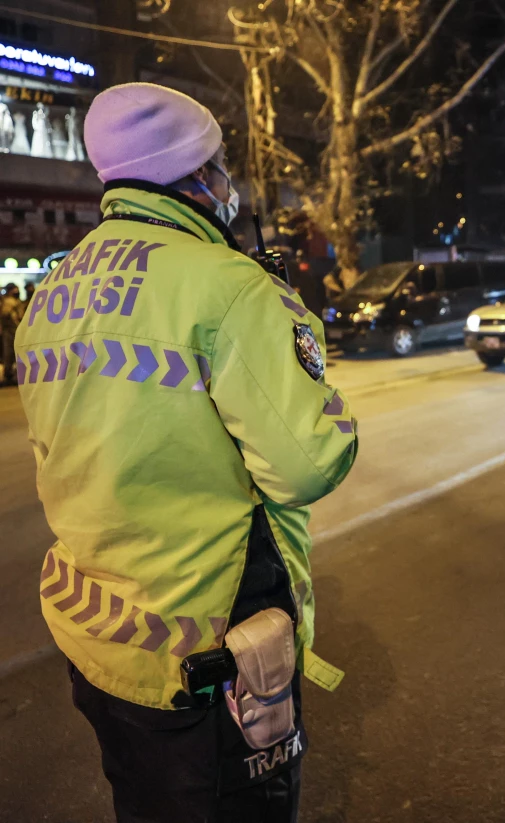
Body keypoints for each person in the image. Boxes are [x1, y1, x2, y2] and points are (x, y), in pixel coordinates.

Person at [16, 83, 359, 821]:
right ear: (199, 177)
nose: (228, 183)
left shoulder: (51, 292)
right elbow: (308, 463)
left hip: (101, 639)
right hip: (210, 652)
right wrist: (295, 331)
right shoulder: (229, 287)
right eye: (220, 165)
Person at [1, 282, 23, 385]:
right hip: (9, 331)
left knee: (17, 353)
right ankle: (8, 374)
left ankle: (14, 374)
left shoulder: (17, 302)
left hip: (17, 330)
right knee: (8, 353)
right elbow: (5, 315)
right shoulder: (7, 302)